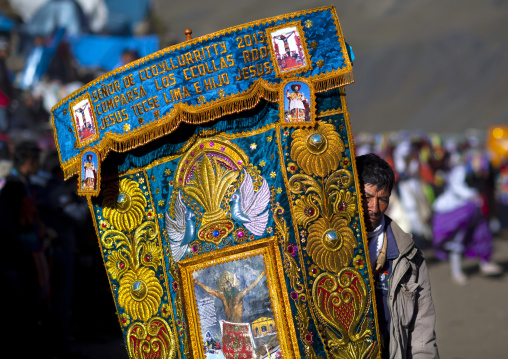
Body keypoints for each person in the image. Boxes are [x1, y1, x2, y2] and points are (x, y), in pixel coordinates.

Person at [356, 153, 439, 359]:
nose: (374, 208)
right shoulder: (325, 250)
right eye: (366, 197)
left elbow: (422, 335)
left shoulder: (410, 257)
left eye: (382, 199)